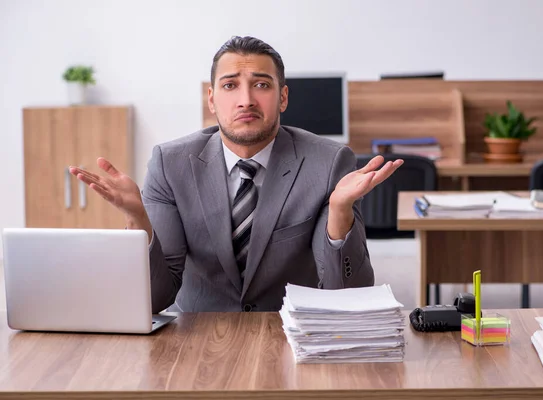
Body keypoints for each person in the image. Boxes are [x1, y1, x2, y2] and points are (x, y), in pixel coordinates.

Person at [69, 36, 403, 313]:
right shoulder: (170, 165)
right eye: (230, 85)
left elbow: (347, 294)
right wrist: (137, 218)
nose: (246, 100)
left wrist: (340, 211)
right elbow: (156, 300)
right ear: (212, 100)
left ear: (283, 97)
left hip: (289, 335)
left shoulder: (328, 162)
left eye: (261, 84)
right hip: (198, 341)